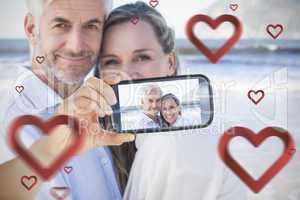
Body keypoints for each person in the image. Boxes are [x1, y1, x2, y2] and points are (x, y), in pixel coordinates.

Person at [97, 1, 247, 200]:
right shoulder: (137, 135)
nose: (126, 74)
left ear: (170, 62)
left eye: (142, 57)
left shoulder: (172, 143)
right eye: (111, 61)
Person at [0, 0, 135, 199]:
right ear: (31, 29)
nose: (76, 46)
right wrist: (50, 147)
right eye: (61, 25)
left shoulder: (103, 106)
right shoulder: (5, 118)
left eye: (91, 26)